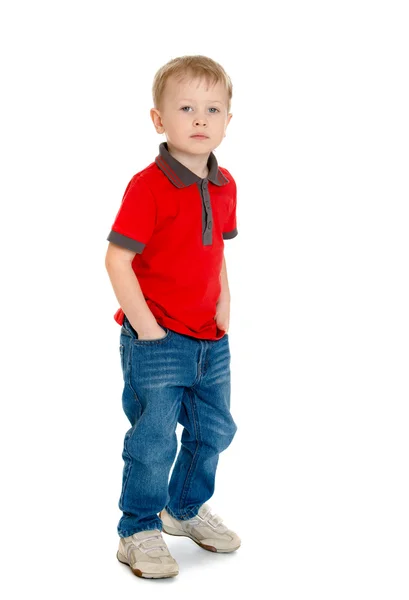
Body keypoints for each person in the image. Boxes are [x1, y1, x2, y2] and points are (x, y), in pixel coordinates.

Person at [105, 54, 240, 580]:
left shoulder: (225, 184)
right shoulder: (148, 186)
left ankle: (182, 509)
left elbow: (215, 252)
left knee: (214, 430)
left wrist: (225, 303)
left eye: (213, 109)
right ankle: (137, 529)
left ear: (229, 120)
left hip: (210, 337)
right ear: (159, 120)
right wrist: (147, 327)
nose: (200, 119)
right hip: (157, 339)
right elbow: (117, 258)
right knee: (155, 438)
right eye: (186, 108)